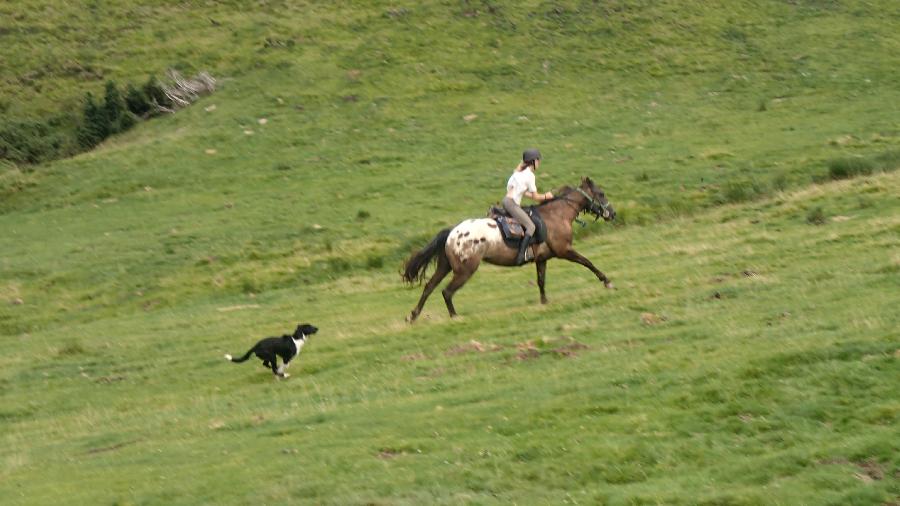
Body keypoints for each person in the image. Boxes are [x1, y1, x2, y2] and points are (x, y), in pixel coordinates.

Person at [503, 148, 553, 265]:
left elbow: (515, 189)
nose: (539, 162)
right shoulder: (530, 176)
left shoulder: (517, 173)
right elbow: (536, 197)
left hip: (506, 201)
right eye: (538, 160)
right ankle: (521, 255)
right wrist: (547, 196)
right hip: (512, 204)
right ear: (533, 162)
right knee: (531, 226)